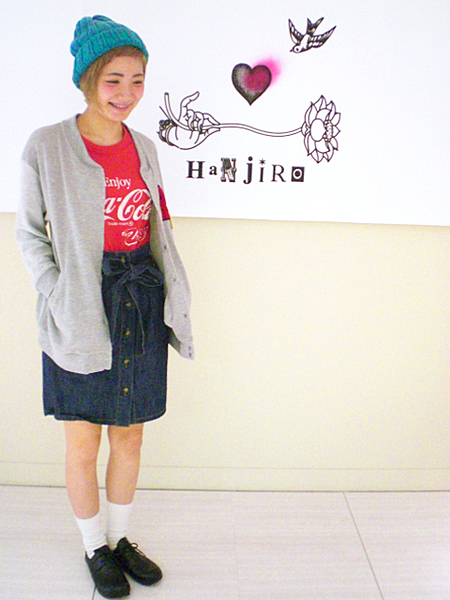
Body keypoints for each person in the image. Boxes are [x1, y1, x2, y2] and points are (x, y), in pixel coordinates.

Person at [16, 15, 194, 599]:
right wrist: (58, 289)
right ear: (87, 79)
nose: (126, 93)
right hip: (80, 306)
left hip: (138, 298)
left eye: (137, 80)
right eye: (114, 79)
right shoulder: (47, 145)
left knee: (130, 435)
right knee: (82, 441)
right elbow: (29, 233)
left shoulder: (145, 147)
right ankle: (94, 547)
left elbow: (156, 223)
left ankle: (119, 540)